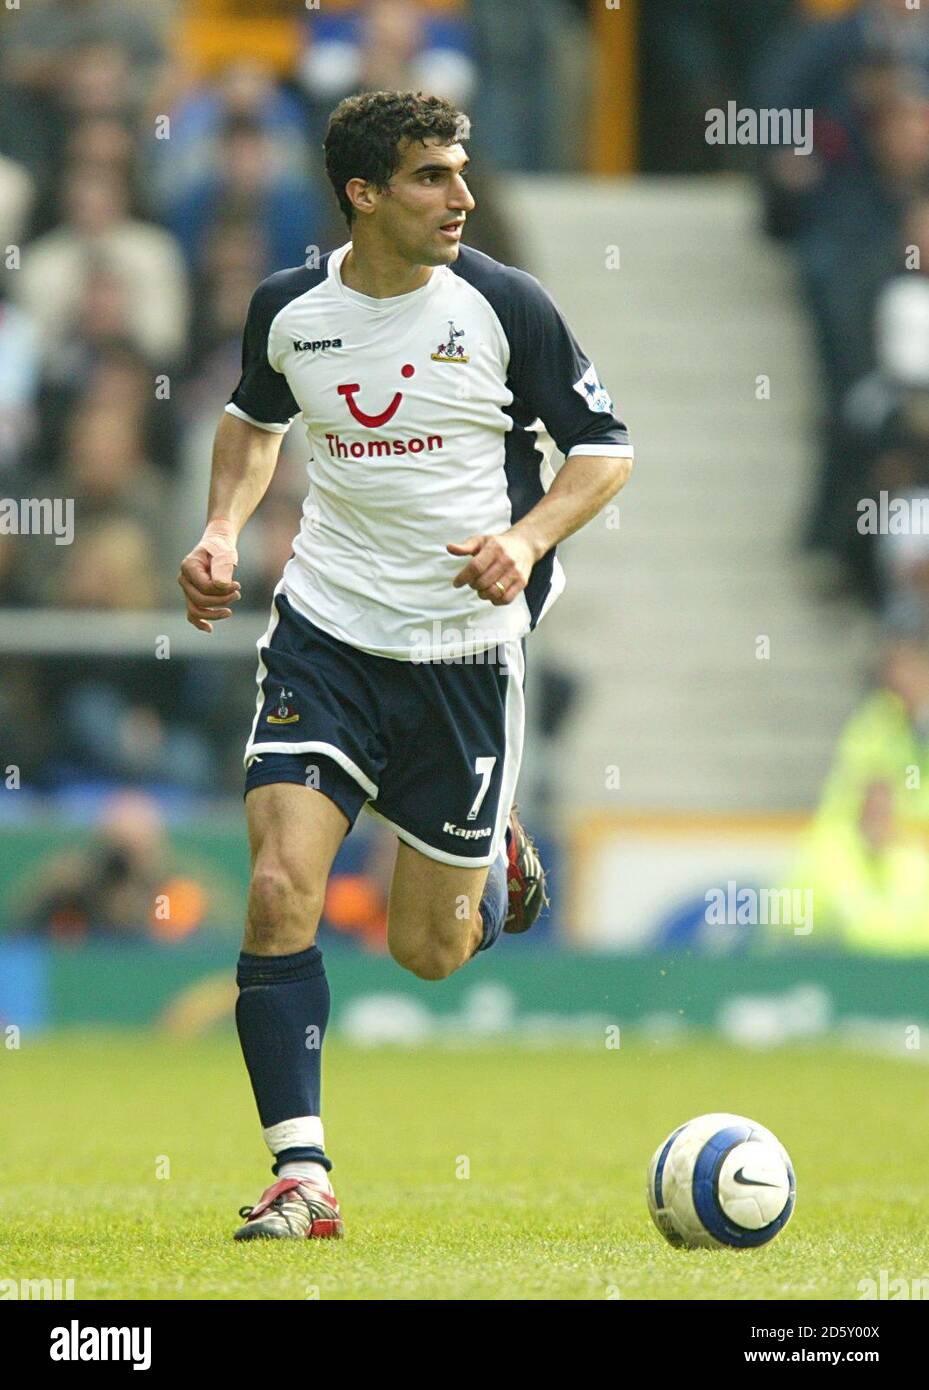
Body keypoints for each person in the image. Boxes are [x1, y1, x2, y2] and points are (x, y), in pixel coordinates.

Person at [177, 90, 634, 1242]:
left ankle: (492, 850)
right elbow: (252, 417)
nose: (462, 198)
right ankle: (303, 1176)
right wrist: (225, 528)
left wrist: (525, 542)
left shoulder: (501, 304)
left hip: (464, 652)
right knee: (282, 886)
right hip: (326, 630)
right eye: (432, 176)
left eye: (462, 172)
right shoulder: (290, 309)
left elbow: (603, 450)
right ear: (362, 194)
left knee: (427, 951)